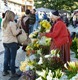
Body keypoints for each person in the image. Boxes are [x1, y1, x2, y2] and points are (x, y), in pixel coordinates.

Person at [1, 11, 21, 77]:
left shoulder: (3, 21)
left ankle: (5, 71)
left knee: (6, 58)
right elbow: (15, 33)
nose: (14, 17)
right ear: (11, 16)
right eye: (13, 16)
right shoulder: (11, 23)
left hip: (5, 42)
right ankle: (13, 73)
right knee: (12, 58)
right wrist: (19, 30)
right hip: (12, 42)